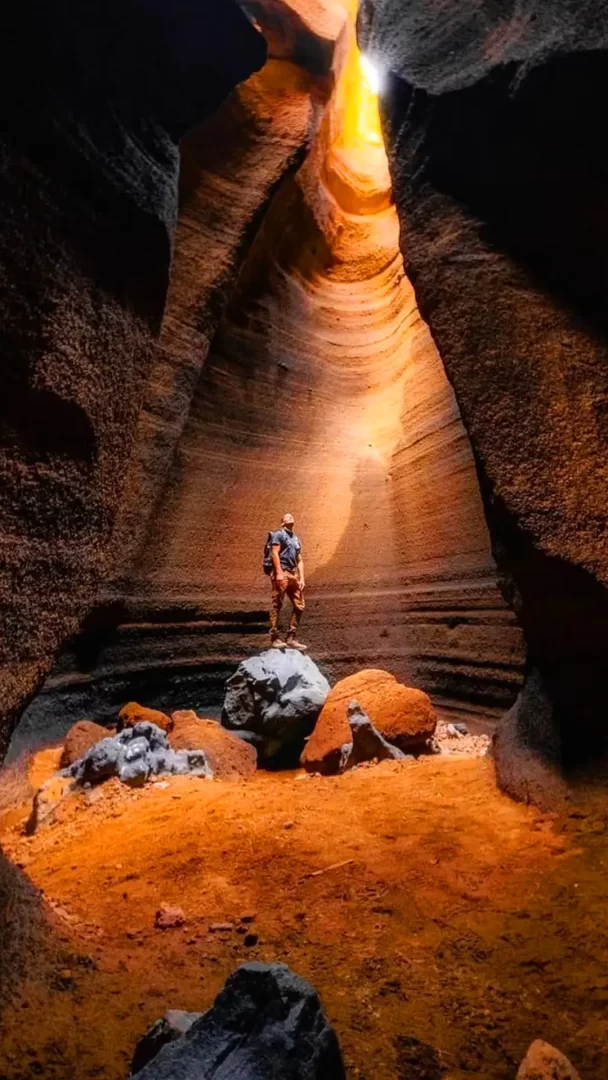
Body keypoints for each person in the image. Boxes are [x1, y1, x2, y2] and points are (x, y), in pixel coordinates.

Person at [268, 513, 307, 650]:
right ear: (282, 523)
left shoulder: (296, 539)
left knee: (300, 605)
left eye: (291, 516)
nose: (290, 517)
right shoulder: (278, 535)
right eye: (287, 516)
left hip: (292, 574)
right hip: (282, 572)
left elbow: (299, 560)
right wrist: (278, 572)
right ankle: (274, 638)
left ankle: (291, 637)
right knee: (277, 604)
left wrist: (301, 578)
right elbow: (274, 553)